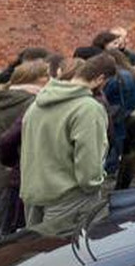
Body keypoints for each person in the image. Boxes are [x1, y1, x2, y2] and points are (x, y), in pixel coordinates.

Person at [20, 54, 117, 227]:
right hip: (69, 198)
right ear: (100, 79)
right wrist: (94, 184)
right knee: (65, 250)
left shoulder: (37, 103)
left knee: (39, 251)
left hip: (34, 193)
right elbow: (89, 165)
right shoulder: (88, 108)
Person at [0, 60, 50, 249]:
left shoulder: (4, 95)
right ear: (37, 79)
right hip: (8, 172)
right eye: (47, 76)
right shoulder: (29, 102)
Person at [102, 48, 135, 176]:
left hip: (118, 114)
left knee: (115, 143)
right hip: (133, 112)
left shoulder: (116, 78)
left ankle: (111, 169)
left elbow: (106, 96)